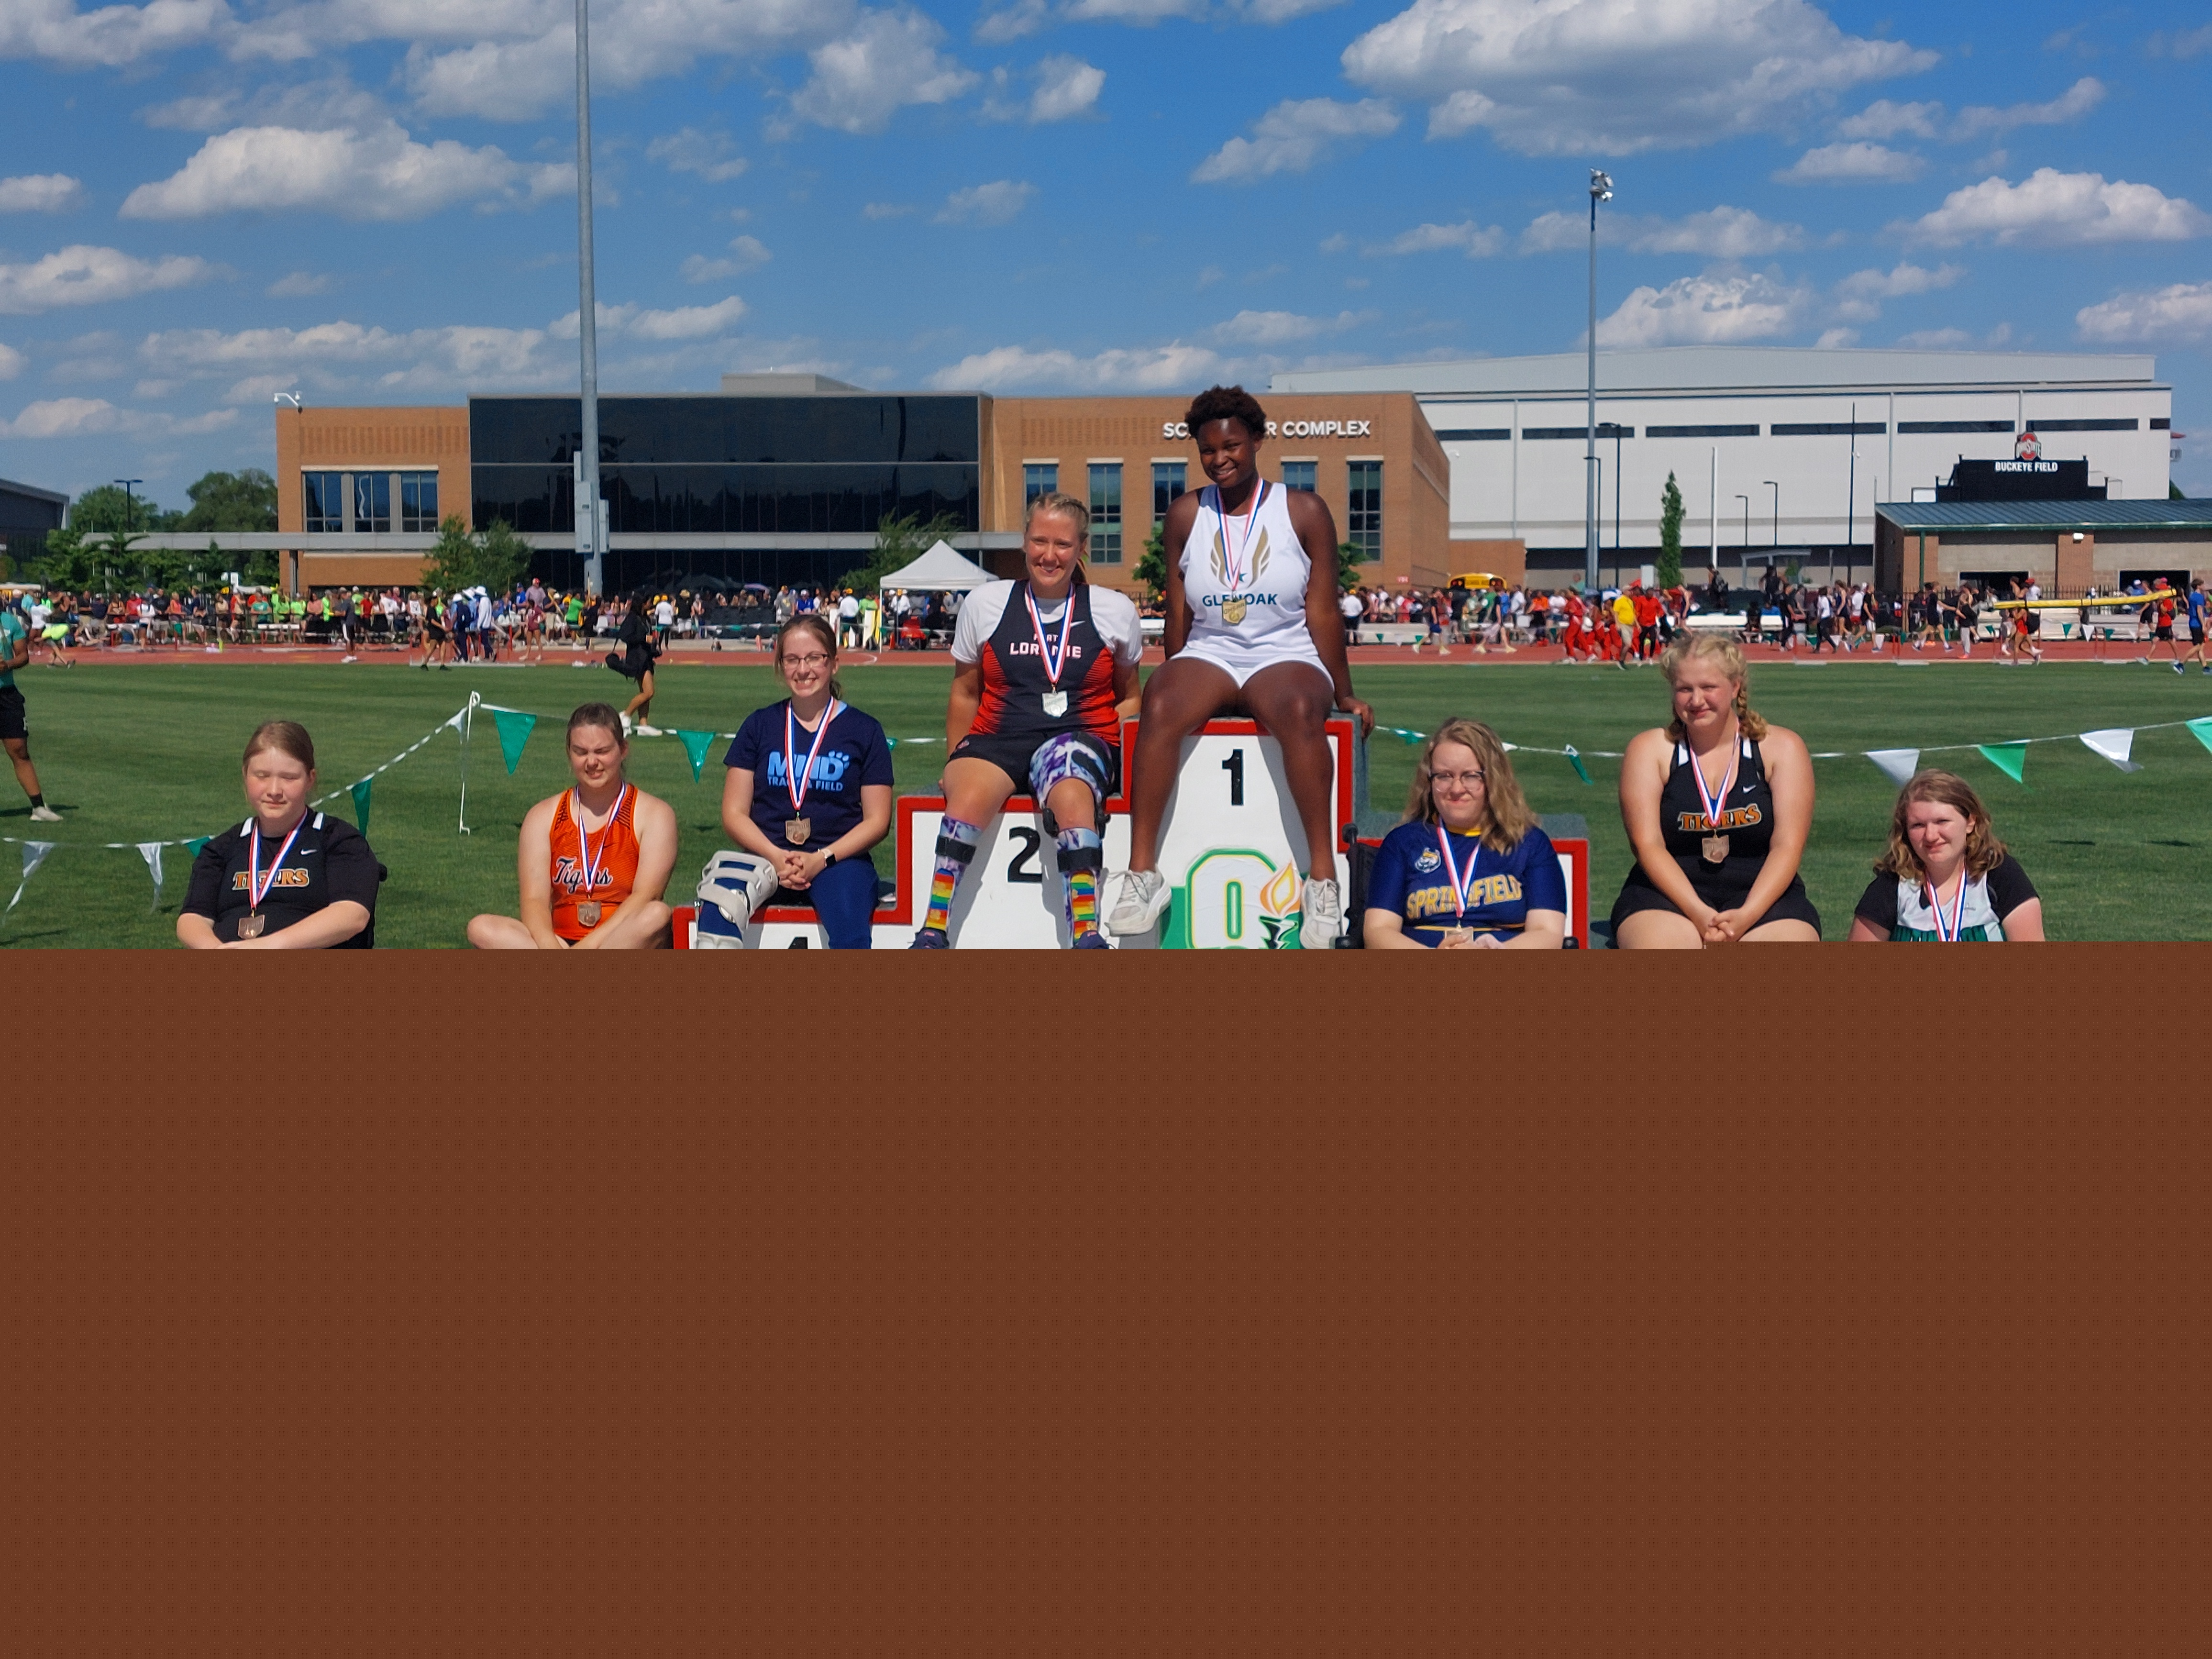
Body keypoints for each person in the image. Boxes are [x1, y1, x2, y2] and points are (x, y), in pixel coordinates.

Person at [1103, 387, 1374, 948]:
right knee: (1160, 702)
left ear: (1256, 441)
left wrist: (1344, 694)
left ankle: (1323, 880)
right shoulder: (1185, 512)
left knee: (1301, 710)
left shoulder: (1302, 510)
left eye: (1231, 445)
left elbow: (1322, 610)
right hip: (1213, 652)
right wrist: (1177, 678)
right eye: (1207, 449)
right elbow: (1178, 613)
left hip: (1285, 651)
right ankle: (1141, 875)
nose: (1220, 458)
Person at [912, 491, 1143, 948]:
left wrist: (1102, 737)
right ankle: (933, 929)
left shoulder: (1114, 609)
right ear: (1024, 542)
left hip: (1078, 736)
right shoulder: (986, 603)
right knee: (967, 800)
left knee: (1074, 792)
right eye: (1040, 541)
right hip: (998, 736)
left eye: (1062, 545)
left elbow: (1131, 697)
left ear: (1082, 548)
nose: (1049, 556)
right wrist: (955, 759)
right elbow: (964, 691)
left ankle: (1086, 934)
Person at [1611, 632, 1819, 947]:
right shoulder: (1649, 750)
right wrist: (1698, 912)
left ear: (1735, 687)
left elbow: (1787, 847)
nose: (1696, 701)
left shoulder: (1782, 748)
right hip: (1667, 896)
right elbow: (1648, 845)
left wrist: (1747, 915)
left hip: (1763, 895)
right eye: (1685, 689)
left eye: (1709, 687)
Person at [706, 614, 894, 949]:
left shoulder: (865, 730)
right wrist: (777, 857)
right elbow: (734, 812)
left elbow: (878, 821)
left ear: (834, 663)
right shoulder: (760, 725)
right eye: (792, 659)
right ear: (780, 665)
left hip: (838, 861)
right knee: (716, 910)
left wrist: (821, 858)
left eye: (814, 658)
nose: (803, 670)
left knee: (851, 931)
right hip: (764, 858)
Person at [466, 703, 676, 950]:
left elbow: (644, 897)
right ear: (569, 753)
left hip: (620, 940)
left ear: (623, 750)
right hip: (560, 944)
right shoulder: (543, 816)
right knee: (481, 927)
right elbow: (534, 900)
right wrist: (550, 948)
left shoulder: (654, 814)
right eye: (581, 752)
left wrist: (587, 949)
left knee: (656, 915)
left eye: (602, 751)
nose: (592, 762)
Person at [1362, 719, 1566, 950]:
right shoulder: (1402, 843)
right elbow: (1378, 931)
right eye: (1444, 776)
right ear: (1429, 780)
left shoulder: (1529, 843)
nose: (1457, 789)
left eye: (1471, 776)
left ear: (1493, 779)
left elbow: (1548, 933)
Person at [178, 721, 382, 948]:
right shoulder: (222, 848)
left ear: (310, 779)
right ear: (246, 775)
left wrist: (267, 946)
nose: (274, 790)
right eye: (262, 776)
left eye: (289, 778)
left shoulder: (338, 840)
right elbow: (193, 917)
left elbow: (352, 915)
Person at [1848, 770, 2044, 942]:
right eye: (1918, 825)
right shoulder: (1893, 885)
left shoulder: (1999, 874)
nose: (1931, 836)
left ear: (1970, 822)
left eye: (1942, 821)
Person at [0, 601, 62, 822]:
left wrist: (7, 665)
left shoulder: (7, 622)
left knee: (19, 749)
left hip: (6, 695)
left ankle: (38, 808)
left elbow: (23, 656)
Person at [607, 597, 662, 733]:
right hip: (637, 658)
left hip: (646, 657)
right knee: (649, 692)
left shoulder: (644, 618)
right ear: (643, 603)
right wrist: (644, 639)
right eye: (649, 602)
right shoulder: (632, 618)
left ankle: (643, 725)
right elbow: (626, 636)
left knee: (646, 692)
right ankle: (625, 714)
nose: (651, 604)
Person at [2181, 578, 2211, 674]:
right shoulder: (2199, 597)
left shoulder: (2192, 596)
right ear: (2198, 586)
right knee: (2198, 646)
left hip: (2192, 622)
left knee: (2201, 646)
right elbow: (2199, 611)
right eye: (2203, 584)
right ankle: (2181, 663)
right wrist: (2203, 626)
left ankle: (2205, 667)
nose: (2204, 586)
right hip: (2197, 624)